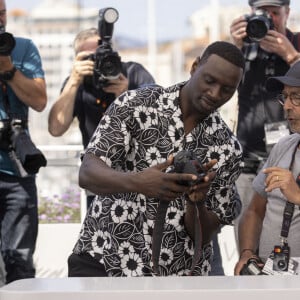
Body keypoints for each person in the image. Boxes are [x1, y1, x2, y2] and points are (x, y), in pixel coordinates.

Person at [67, 40, 245, 277]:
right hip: (105, 259)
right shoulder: (137, 104)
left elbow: (205, 235)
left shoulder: (227, 148)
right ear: (194, 68)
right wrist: (139, 182)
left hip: (176, 277)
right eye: (210, 81)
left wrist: (197, 201)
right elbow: (87, 173)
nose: (215, 94)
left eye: (227, 89)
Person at [48, 28, 155, 208]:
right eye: (89, 58)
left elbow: (155, 124)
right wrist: (74, 81)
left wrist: (125, 94)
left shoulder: (134, 73)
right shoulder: (76, 83)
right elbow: (56, 128)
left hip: (139, 176)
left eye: (101, 55)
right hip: (99, 180)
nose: (97, 62)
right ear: (77, 59)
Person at [229, 0, 300, 242]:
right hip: (248, 159)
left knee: (287, 232)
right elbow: (220, 89)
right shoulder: (244, 49)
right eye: (262, 13)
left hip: (289, 157)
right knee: (248, 230)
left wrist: (290, 54)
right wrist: (234, 47)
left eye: (275, 13)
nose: (268, 19)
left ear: (287, 13)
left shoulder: (296, 43)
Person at [234, 60, 300, 275]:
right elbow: (254, 210)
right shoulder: (284, 146)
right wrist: (246, 253)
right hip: (270, 277)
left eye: (296, 97)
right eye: (285, 97)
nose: (287, 106)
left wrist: (298, 197)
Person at [0, 0, 47, 284]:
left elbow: (40, 101)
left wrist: (9, 70)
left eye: (2, 13)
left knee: (20, 266)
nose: (0, 19)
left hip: (17, 170)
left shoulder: (24, 48)